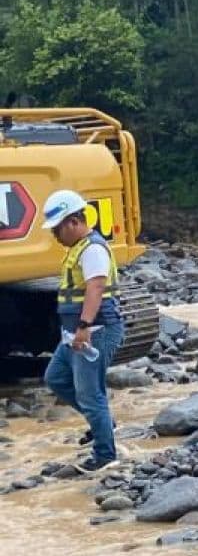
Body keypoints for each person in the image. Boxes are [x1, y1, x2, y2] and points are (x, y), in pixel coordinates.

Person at [41, 189, 124, 471]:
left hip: (94, 330)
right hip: (74, 333)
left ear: (72, 222)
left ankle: (105, 456)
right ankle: (102, 423)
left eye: (56, 229)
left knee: (91, 395)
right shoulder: (78, 248)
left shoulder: (93, 250)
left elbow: (96, 287)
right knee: (56, 377)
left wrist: (84, 327)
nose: (55, 236)